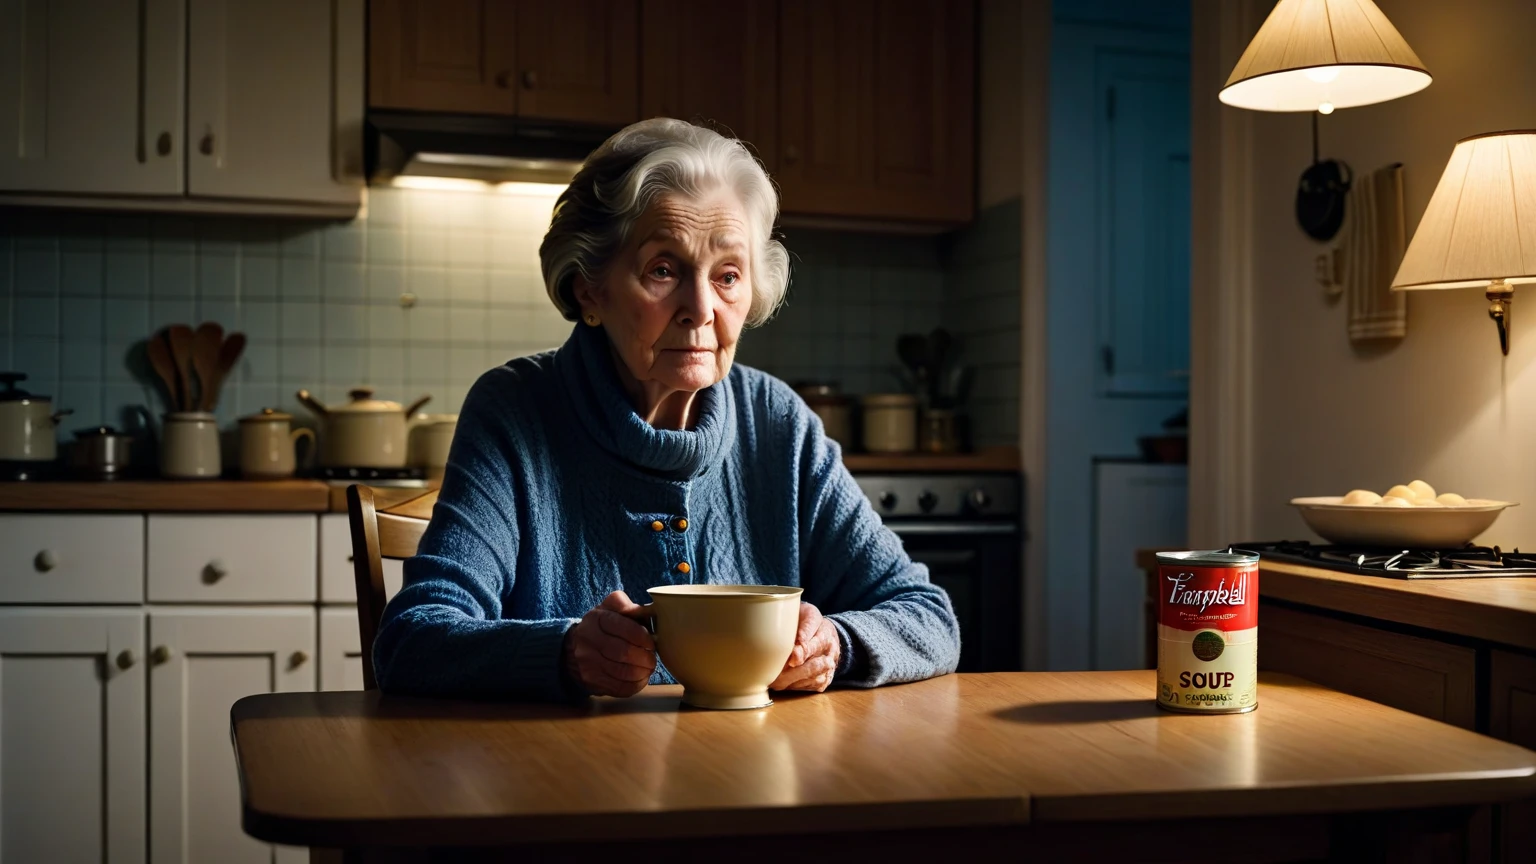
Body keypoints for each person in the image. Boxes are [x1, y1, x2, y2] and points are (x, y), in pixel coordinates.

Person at [373, 118, 960, 700]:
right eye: (663, 270)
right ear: (589, 289)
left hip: (755, 778)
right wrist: (565, 653)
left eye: (728, 276)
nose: (700, 308)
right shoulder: (516, 411)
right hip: (561, 782)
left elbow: (930, 619)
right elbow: (412, 640)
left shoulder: (778, 422)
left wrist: (837, 641)